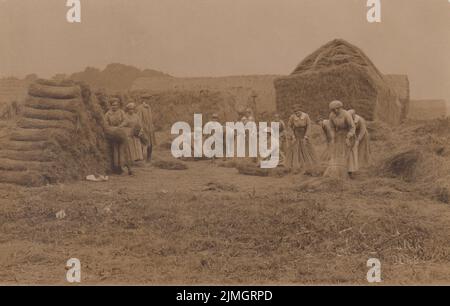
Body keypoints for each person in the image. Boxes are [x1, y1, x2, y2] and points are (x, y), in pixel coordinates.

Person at [324, 101, 357, 179]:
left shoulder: (346, 114)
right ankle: (338, 171)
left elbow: (352, 127)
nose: (335, 111)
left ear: (340, 108)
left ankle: (350, 171)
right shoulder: (331, 115)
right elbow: (332, 127)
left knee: (347, 153)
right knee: (337, 152)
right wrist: (332, 136)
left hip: (348, 134)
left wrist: (348, 137)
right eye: (333, 109)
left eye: (337, 109)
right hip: (338, 135)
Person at [284, 105, 318, 173]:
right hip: (296, 133)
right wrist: (292, 135)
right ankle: (296, 166)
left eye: (298, 112)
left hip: (304, 133)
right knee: (296, 149)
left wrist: (306, 135)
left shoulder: (306, 116)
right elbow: (289, 126)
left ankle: (308, 166)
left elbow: (309, 126)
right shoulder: (292, 117)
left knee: (306, 149)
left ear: (301, 111)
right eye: (295, 112)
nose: (297, 114)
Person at [104, 97, 132, 175]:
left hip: (122, 133)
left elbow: (126, 121)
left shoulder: (121, 112)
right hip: (113, 134)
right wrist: (112, 128)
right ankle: (117, 169)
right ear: (110, 106)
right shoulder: (108, 114)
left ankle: (125, 169)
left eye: (116, 105)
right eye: (113, 105)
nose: (114, 107)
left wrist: (120, 126)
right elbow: (105, 124)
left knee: (123, 151)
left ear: (118, 105)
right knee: (115, 151)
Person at [137, 95, 156, 162]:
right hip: (144, 128)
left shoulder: (149, 107)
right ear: (143, 100)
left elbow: (150, 118)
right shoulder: (140, 108)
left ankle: (149, 158)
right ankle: (140, 158)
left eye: (149, 98)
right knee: (142, 143)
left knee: (150, 143)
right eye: (146, 99)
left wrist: (152, 126)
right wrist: (141, 128)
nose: (148, 100)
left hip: (150, 128)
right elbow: (139, 119)